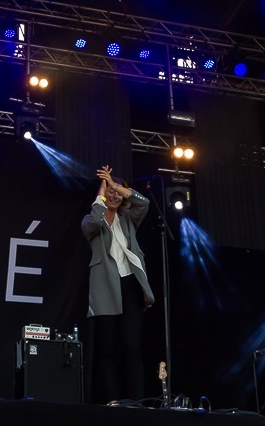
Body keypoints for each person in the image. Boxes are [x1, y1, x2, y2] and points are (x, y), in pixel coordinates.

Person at [81, 164, 155, 405]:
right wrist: (101, 195)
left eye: (117, 192)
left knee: (132, 346)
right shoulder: (92, 220)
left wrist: (115, 185)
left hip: (131, 286)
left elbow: (144, 203)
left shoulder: (129, 219)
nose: (114, 196)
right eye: (109, 192)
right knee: (108, 348)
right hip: (105, 288)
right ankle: (113, 401)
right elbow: (93, 223)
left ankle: (137, 402)